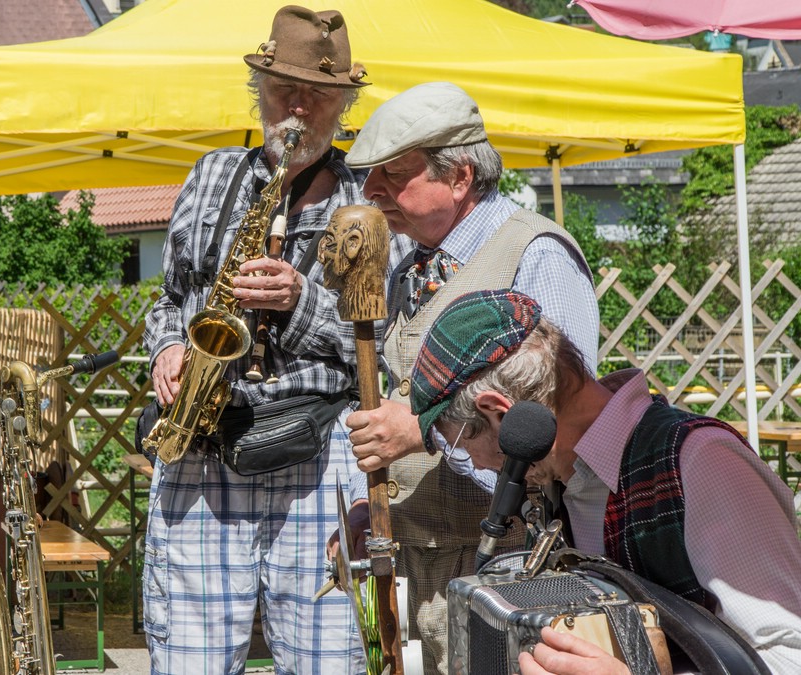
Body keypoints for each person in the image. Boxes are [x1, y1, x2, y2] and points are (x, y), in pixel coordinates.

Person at [141, 6, 383, 674]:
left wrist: (302, 303)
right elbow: (168, 301)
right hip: (204, 451)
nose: (298, 109)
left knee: (329, 660)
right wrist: (165, 348)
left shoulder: (367, 200)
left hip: (316, 456)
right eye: (284, 92)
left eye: (317, 95)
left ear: (343, 104)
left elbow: (384, 342)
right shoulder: (212, 174)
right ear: (260, 91)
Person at [330, 81, 601, 674]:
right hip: (430, 569)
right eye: (368, 176)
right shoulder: (405, 265)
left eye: (392, 175)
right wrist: (370, 506)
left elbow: (559, 433)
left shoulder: (536, 254)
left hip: (515, 575)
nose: (371, 193)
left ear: (458, 177)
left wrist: (424, 433)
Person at [408, 289, 801, 674]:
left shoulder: (702, 460)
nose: (472, 461)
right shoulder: (554, 487)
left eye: (460, 441)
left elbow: (791, 656)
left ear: (499, 413)